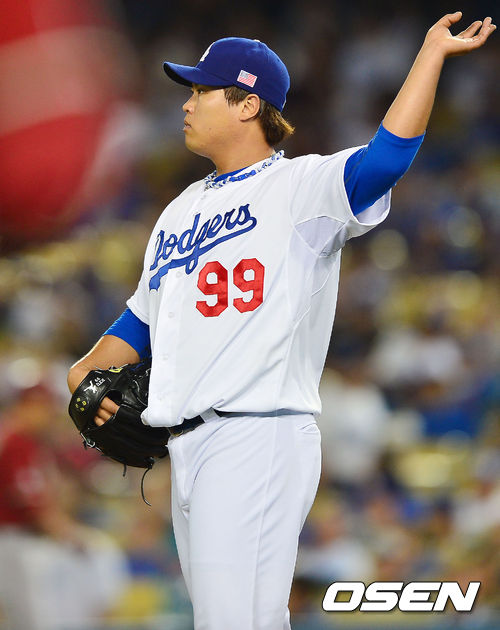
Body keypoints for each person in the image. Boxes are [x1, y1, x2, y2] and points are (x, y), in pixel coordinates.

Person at [67, 12, 495, 629]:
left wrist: (430, 55)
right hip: (189, 446)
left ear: (248, 104)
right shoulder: (179, 210)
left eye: (201, 91)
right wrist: (81, 375)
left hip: (256, 433)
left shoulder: (300, 187)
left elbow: (384, 161)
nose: (185, 104)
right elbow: (140, 324)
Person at [0, 383, 128, 630]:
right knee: (34, 619)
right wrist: (68, 534)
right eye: (42, 407)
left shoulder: (33, 443)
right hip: (15, 539)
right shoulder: (17, 442)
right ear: (25, 407)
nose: (48, 414)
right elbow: (34, 507)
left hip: (28, 540)